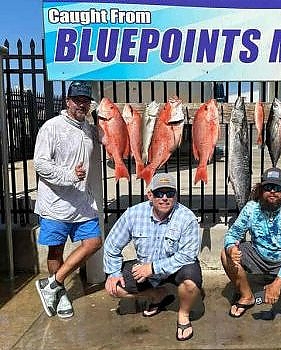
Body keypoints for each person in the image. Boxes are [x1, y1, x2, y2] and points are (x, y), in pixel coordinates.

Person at [103, 173, 202, 342]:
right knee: (114, 288)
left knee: (191, 283)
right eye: (159, 193)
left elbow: (187, 255)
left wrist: (153, 268)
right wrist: (113, 273)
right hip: (145, 269)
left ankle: (183, 315)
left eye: (169, 193)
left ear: (176, 196)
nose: (164, 198)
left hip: (175, 268)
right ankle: (157, 294)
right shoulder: (133, 214)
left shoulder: (187, 218)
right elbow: (112, 245)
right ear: (150, 195)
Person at [34, 81, 102, 319]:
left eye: (85, 101)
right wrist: (69, 175)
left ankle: (53, 283)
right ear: (68, 101)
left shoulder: (88, 128)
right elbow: (40, 164)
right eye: (77, 100)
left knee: (93, 242)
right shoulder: (51, 127)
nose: (81, 105)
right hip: (55, 203)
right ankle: (60, 293)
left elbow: (109, 137)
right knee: (56, 250)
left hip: (83, 203)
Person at [221, 167, 281, 318]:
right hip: (257, 254)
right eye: (268, 187)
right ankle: (247, 296)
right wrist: (231, 249)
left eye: (277, 188)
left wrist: (277, 285)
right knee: (224, 254)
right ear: (260, 190)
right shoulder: (251, 208)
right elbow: (233, 234)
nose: (272, 191)